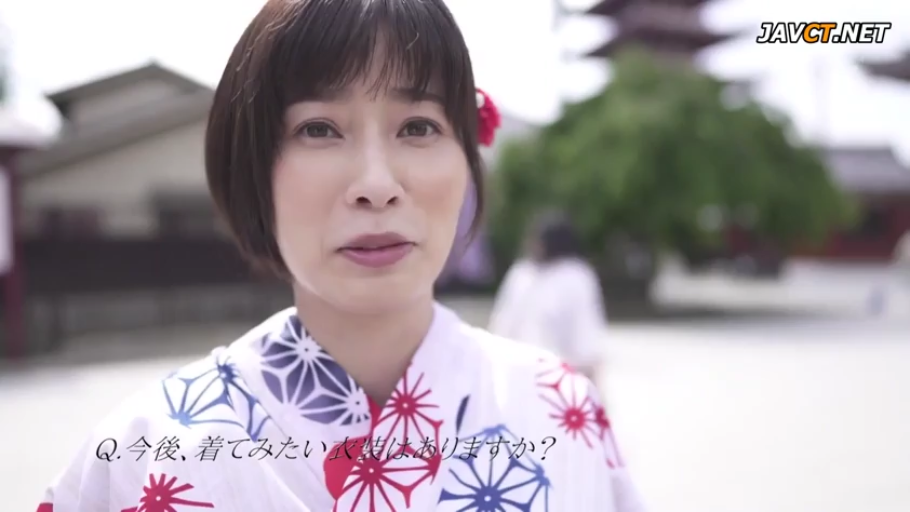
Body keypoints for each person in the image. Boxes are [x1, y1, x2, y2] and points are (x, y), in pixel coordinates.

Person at [35, 1, 645, 511]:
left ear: (467, 160)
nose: (376, 184)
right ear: (254, 171)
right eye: (318, 129)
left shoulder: (562, 410)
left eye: (419, 127)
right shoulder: (141, 456)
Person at [489, 211, 607, 386]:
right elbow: (502, 324)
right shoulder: (522, 273)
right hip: (518, 373)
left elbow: (585, 334)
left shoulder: (576, 276)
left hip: (561, 378)